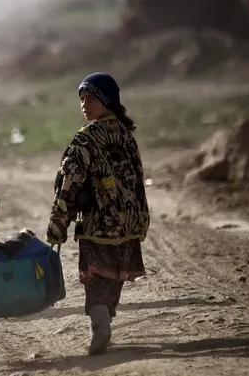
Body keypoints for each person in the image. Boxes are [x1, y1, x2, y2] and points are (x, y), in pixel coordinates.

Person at [45, 72, 150, 356]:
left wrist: (57, 225)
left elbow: (68, 184)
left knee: (95, 279)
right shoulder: (127, 136)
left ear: (106, 100)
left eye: (90, 98)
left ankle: (100, 323)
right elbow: (139, 183)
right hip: (128, 228)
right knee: (114, 278)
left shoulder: (87, 139)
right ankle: (105, 318)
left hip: (98, 227)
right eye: (81, 99)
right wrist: (141, 222)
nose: (84, 104)